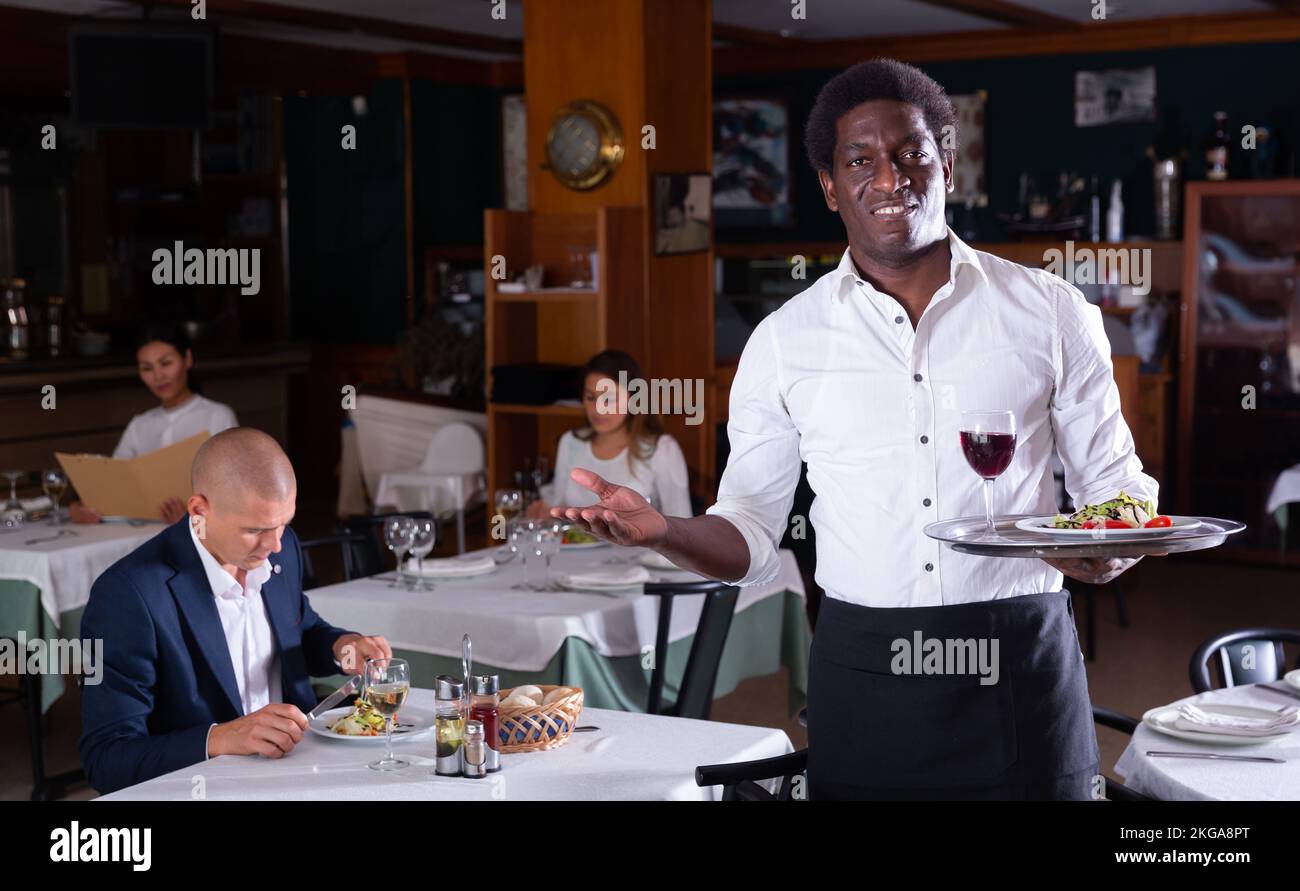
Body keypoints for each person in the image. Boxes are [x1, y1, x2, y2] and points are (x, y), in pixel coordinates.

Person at [551, 58, 1157, 800]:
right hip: (866, 666)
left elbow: (1117, 489)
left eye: (911, 153)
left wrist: (1114, 542)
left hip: (1019, 663)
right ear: (830, 186)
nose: (888, 177)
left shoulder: (1053, 312)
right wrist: (664, 531)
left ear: (949, 164)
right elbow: (748, 532)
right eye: (860, 160)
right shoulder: (782, 342)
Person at [79, 427, 391, 794]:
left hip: (304, 774)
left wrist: (342, 646)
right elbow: (106, 760)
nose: (275, 544)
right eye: (256, 529)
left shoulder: (278, 546)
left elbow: (299, 629)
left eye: (284, 524)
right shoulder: (128, 596)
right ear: (199, 511)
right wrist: (221, 738)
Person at [70, 324, 237, 524]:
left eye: (165, 363)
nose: (158, 376)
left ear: (188, 359)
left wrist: (189, 519)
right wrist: (83, 508)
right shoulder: (140, 425)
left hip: (200, 537)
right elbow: (114, 487)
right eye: (147, 368)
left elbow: (233, 493)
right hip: (138, 535)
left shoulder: (217, 416)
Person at [526, 350, 692, 520]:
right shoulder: (571, 442)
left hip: (639, 547)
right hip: (574, 545)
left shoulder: (662, 449)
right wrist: (542, 513)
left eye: (609, 399)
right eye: (591, 397)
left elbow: (682, 525)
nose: (598, 409)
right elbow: (557, 507)